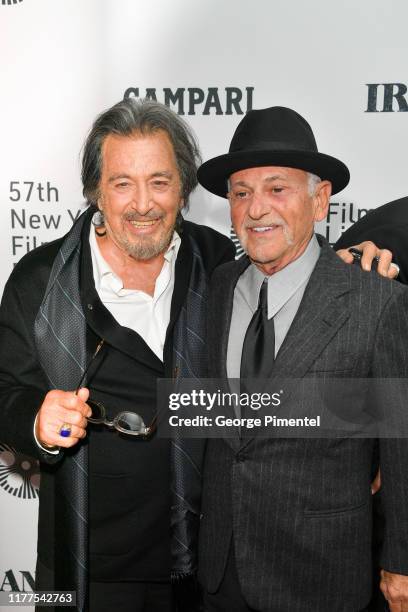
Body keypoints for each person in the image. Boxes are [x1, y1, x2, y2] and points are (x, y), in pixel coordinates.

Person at [0, 98, 234, 612]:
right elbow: (5, 392)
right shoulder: (40, 280)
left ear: (184, 188)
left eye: (160, 181)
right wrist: (36, 422)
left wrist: (352, 266)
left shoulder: (217, 263)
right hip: (88, 573)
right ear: (96, 192)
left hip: (206, 570)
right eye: (123, 183)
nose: (143, 204)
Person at [196, 106, 408, 611]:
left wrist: (401, 560)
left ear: (320, 201)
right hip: (220, 572)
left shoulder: (377, 301)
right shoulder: (216, 288)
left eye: (277, 189)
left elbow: (401, 447)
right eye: (241, 193)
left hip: (319, 574)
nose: (255, 209)